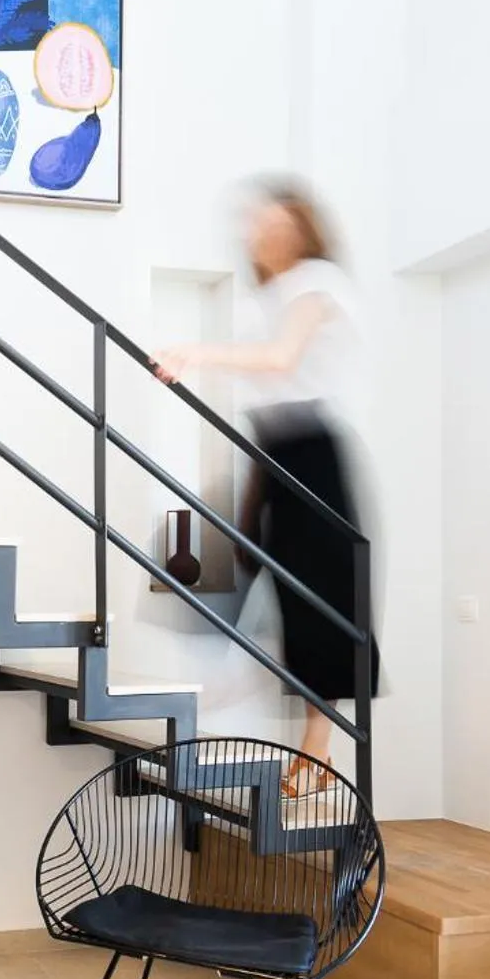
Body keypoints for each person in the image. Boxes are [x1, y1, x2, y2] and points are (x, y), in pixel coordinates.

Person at [153, 178, 378, 797]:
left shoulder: (316, 283)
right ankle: (230, 678)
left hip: (312, 452)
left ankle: (317, 749)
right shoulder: (270, 295)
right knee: (241, 563)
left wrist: (196, 353)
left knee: (319, 599)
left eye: (279, 228)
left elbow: (282, 361)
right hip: (272, 448)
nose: (264, 236)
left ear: (302, 234)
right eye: (259, 227)